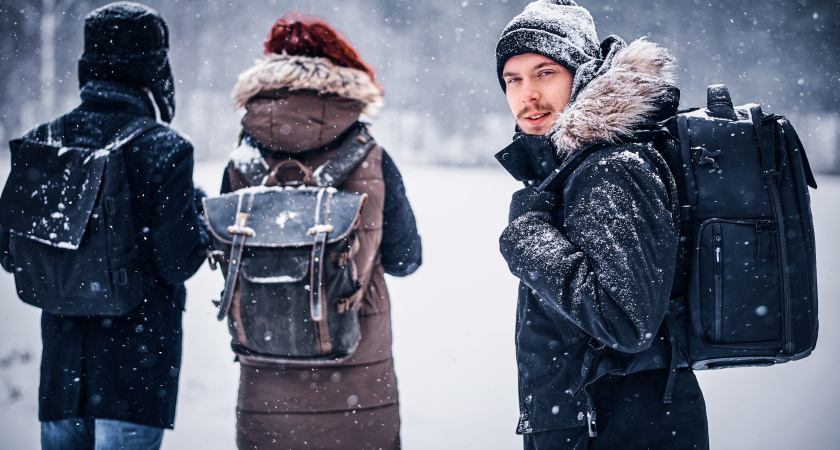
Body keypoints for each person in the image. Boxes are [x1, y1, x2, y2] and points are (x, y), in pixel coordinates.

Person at [494, 1, 709, 448]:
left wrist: (528, 239)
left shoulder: (611, 166)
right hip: (600, 421)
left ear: (582, 74)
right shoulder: (576, 166)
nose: (527, 94)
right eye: (513, 79)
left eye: (545, 73)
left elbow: (626, 320)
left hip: (621, 427)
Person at [0, 2, 208, 449]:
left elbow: (7, 251)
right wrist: (197, 214)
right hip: (135, 379)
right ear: (154, 68)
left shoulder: (44, 140)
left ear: (87, 67)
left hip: (61, 382)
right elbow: (178, 263)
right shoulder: (164, 149)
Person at [220, 14, 422, 449]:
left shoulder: (241, 162)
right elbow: (407, 260)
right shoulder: (373, 157)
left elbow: (224, 259)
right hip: (359, 386)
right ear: (343, 71)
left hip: (265, 388)